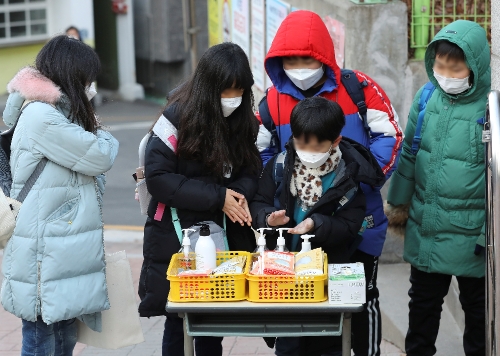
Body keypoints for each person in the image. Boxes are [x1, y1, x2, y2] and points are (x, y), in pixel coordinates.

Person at [255, 10, 402, 356]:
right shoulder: (272, 101)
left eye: (308, 58)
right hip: (297, 231)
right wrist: (280, 194)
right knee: (299, 304)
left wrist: (359, 179)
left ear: (324, 56)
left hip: (360, 221)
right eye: (291, 59)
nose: (300, 66)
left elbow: (391, 136)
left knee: (360, 297)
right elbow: (260, 154)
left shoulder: (359, 89)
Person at [138, 42, 262, 356]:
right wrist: (218, 197)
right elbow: (159, 178)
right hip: (174, 233)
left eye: (239, 91)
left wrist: (238, 195)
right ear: (208, 87)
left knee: (211, 320)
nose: (233, 99)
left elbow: (251, 170)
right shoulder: (177, 116)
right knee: (178, 320)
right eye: (226, 91)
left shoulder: (244, 119)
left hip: (223, 233)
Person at [1, 35, 119, 356]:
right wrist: (103, 135)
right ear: (70, 75)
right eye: (86, 79)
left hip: (56, 247)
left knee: (63, 337)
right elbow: (98, 155)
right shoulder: (41, 116)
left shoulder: (53, 113)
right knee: (42, 341)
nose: (90, 86)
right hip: (43, 250)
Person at [386, 20, 490, 356]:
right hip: (427, 227)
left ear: (474, 65)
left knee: (479, 318)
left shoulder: (492, 108)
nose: (446, 73)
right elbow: (409, 155)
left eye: (455, 66)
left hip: (474, 236)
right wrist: (398, 207)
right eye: (440, 65)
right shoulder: (427, 95)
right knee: (422, 315)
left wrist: (489, 232)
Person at [251, 97, 385, 356]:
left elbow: (349, 225)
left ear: (334, 141)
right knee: (289, 344)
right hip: (285, 275)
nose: (308, 151)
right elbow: (259, 202)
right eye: (301, 143)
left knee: (327, 341)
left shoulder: (348, 175)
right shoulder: (279, 166)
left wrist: (316, 223)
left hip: (326, 277)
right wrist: (268, 217)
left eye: (316, 145)